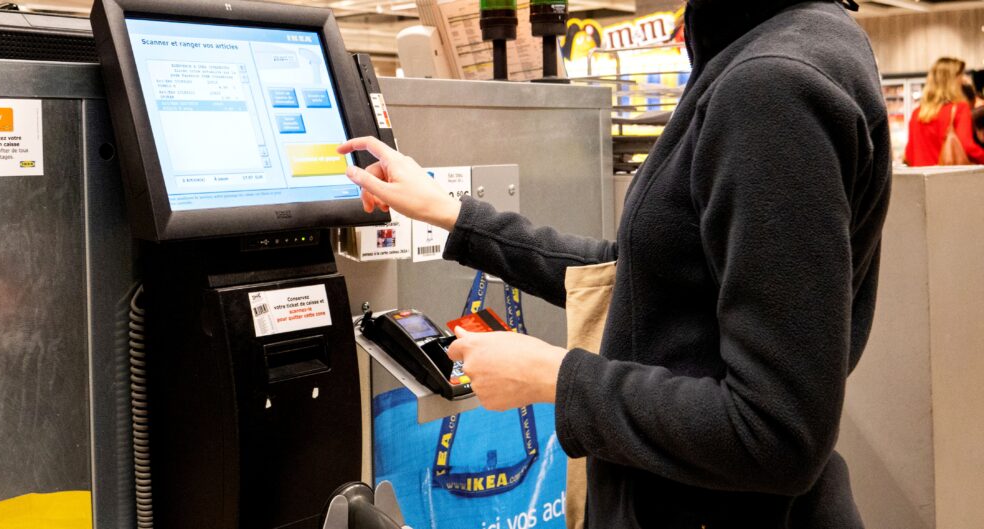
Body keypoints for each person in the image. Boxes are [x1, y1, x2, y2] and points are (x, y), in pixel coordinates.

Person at [339, 0, 889, 526]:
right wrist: (454, 215)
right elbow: (648, 277)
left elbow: (775, 434)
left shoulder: (771, 84)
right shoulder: (788, 40)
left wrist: (552, 376)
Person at [905, 57, 984, 166]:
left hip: (921, 179)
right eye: (961, 75)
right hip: (947, 178)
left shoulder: (917, 113)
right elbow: (967, 146)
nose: (964, 80)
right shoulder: (959, 109)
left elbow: (909, 154)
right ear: (953, 81)